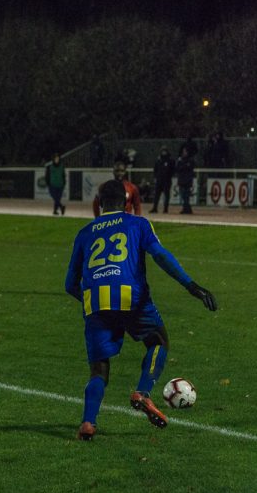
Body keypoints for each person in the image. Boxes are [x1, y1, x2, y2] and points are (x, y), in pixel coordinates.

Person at [65, 179, 217, 440]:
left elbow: (69, 284)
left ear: (99, 204)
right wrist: (192, 286)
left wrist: (94, 300)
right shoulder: (138, 223)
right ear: (125, 202)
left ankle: (88, 423)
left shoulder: (84, 232)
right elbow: (160, 255)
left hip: (96, 303)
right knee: (158, 341)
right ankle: (142, 392)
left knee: (99, 369)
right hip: (131, 298)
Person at [150, 146, 175, 213]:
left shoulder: (170, 160)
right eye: (162, 151)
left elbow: (173, 170)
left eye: (165, 151)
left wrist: (169, 176)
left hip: (167, 181)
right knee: (156, 195)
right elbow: (155, 169)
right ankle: (155, 208)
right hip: (159, 180)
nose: (163, 152)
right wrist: (155, 177)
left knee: (166, 195)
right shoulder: (159, 160)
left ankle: (165, 209)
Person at [175, 146, 196, 214]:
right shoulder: (180, 160)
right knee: (183, 195)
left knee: (186, 195)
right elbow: (178, 168)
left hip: (187, 180)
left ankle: (186, 208)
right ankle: (187, 208)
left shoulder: (190, 160)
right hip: (181, 179)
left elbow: (190, 168)